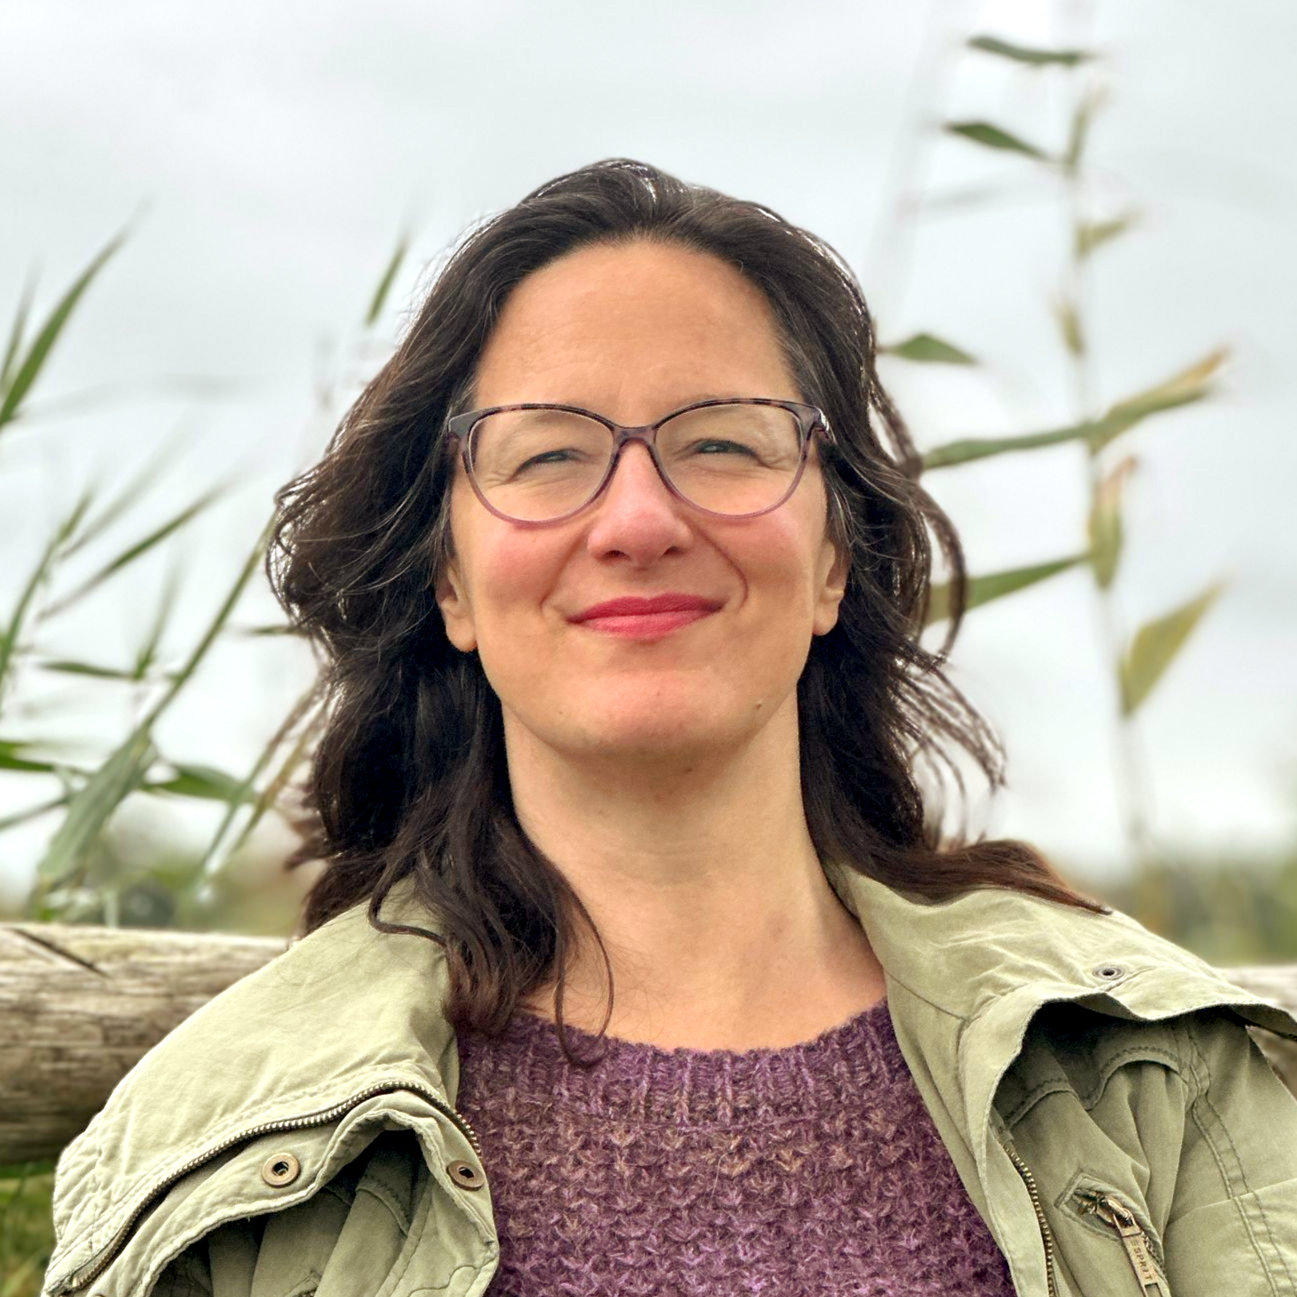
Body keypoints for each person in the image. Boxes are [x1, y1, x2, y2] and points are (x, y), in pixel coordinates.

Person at [45, 159, 1297, 1297]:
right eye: (545, 457)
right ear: (450, 584)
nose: (637, 518)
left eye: (719, 443)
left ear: (830, 564)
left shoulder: (1153, 1079)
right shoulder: (204, 1154)